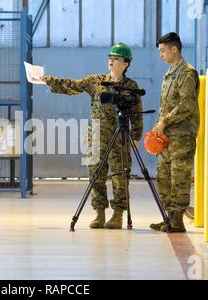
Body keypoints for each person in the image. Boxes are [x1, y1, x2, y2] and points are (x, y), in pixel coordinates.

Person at [41, 43, 143, 229]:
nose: (111, 60)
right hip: (96, 136)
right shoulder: (96, 81)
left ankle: (118, 215)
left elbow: (136, 114)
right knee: (95, 175)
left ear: (126, 63)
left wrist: (136, 137)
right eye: (110, 57)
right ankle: (100, 213)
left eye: (116, 58)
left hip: (119, 137)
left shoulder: (131, 87)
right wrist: (49, 80)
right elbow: (74, 85)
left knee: (120, 176)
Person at [150, 32, 199, 233]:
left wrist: (165, 121)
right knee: (163, 177)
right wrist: (158, 126)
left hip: (182, 135)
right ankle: (168, 217)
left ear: (174, 49)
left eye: (163, 51)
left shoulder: (187, 73)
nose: (161, 55)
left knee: (179, 178)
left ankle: (177, 220)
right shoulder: (169, 73)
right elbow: (165, 105)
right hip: (166, 135)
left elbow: (186, 105)